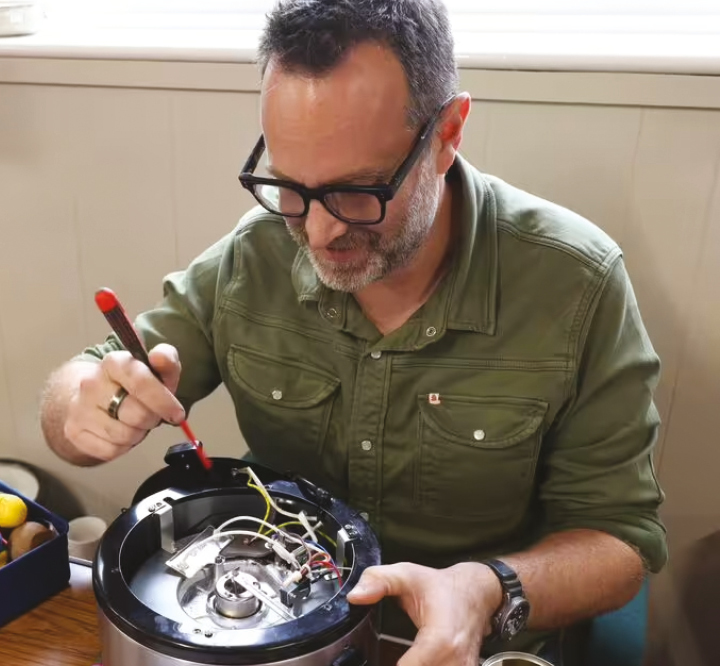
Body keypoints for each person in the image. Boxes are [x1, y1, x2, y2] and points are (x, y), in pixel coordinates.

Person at [39, 1, 668, 664]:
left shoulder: (576, 287)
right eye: (288, 186)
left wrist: (486, 589)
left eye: (358, 192)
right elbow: (84, 387)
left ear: (448, 133)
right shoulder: (253, 258)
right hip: (276, 636)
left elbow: (621, 541)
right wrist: (86, 405)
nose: (316, 233)